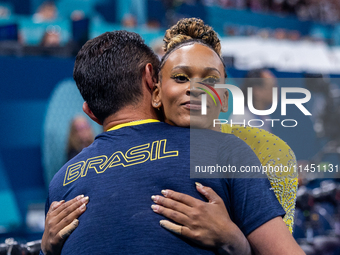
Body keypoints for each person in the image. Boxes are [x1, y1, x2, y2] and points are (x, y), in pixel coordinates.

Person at [40, 29, 302, 254]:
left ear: (90, 112)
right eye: (180, 77)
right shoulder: (225, 151)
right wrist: (235, 243)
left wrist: (45, 249)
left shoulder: (60, 184)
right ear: (152, 81)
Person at [229, 68, 278, 132]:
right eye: (272, 87)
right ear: (257, 91)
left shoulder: (265, 118)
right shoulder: (241, 119)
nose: (277, 91)